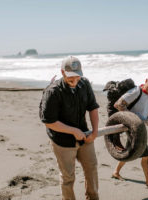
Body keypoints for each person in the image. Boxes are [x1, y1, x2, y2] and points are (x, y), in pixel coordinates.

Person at [39, 56, 99, 200]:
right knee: (68, 177)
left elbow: (93, 108)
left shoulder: (84, 84)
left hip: (85, 136)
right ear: (62, 72)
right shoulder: (53, 92)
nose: (74, 81)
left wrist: (95, 132)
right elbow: (49, 122)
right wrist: (73, 131)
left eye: (77, 77)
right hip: (62, 141)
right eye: (71, 78)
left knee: (91, 169)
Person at [111, 72, 148, 189]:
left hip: (140, 126)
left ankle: (116, 172)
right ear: (145, 81)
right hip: (132, 126)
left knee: (130, 151)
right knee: (146, 154)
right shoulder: (136, 92)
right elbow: (118, 104)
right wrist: (133, 119)